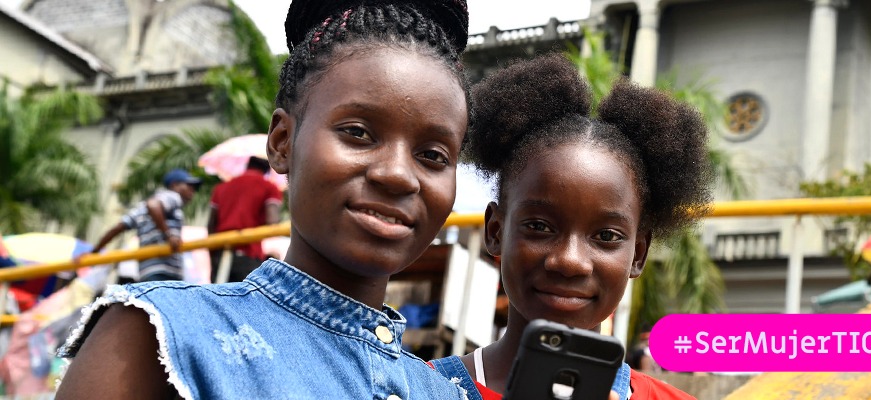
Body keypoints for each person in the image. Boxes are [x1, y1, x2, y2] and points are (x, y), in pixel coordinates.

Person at [55, 0, 471, 398]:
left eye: (433, 156)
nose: (397, 174)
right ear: (282, 142)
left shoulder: (446, 393)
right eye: (358, 133)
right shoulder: (161, 334)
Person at [429, 55, 708, 400]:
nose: (570, 261)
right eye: (539, 226)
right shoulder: (415, 390)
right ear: (496, 231)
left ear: (638, 254)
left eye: (606, 236)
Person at [82, 168, 200, 282]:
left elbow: (117, 228)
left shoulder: (140, 208)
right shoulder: (172, 196)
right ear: (174, 185)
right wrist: (169, 235)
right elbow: (153, 205)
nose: (192, 191)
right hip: (166, 271)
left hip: (147, 271)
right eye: (189, 186)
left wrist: (95, 251)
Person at [207, 156, 283, 283]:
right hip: (248, 254)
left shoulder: (221, 188)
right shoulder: (269, 187)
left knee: (217, 298)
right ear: (266, 171)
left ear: (247, 166)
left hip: (220, 253)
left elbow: (210, 225)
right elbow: (273, 221)